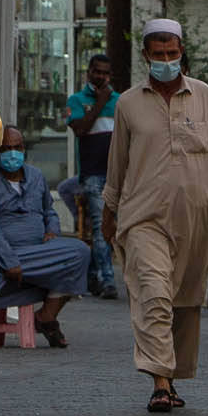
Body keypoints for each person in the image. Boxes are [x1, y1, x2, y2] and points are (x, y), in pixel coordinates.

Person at [101, 18, 208, 414]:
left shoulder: (203, 96)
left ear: (181, 53)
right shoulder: (128, 103)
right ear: (146, 55)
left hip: (198, 219)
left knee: (184, 302)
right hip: (143, 218)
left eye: (172, 54)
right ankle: (160, 381)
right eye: (158, 55)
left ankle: (172, 378)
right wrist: (109, 212)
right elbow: (117, 165)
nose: (165, 61)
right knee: (154, 294)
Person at [0, 126, 87, 350]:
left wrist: (52, 231)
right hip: (3, 252)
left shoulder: (36, 176)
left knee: (79, 252)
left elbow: (50, 211)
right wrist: (9, 259)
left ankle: (46, 317)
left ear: (24, 148)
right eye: (7, 149)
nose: (13, 153)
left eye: (17, 148)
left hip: (38, 251)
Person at [62, 54, 120, 297]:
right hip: (93, 174)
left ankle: (94, 276)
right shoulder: (76, 100)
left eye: (106, 73)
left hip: (118, 175)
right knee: (100, 227)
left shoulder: (120, 101)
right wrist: (99, 103)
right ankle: (107, 280)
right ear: (89, 73)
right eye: (97, 72)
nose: (101, 77)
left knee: (112, 227)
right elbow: (81, 129)